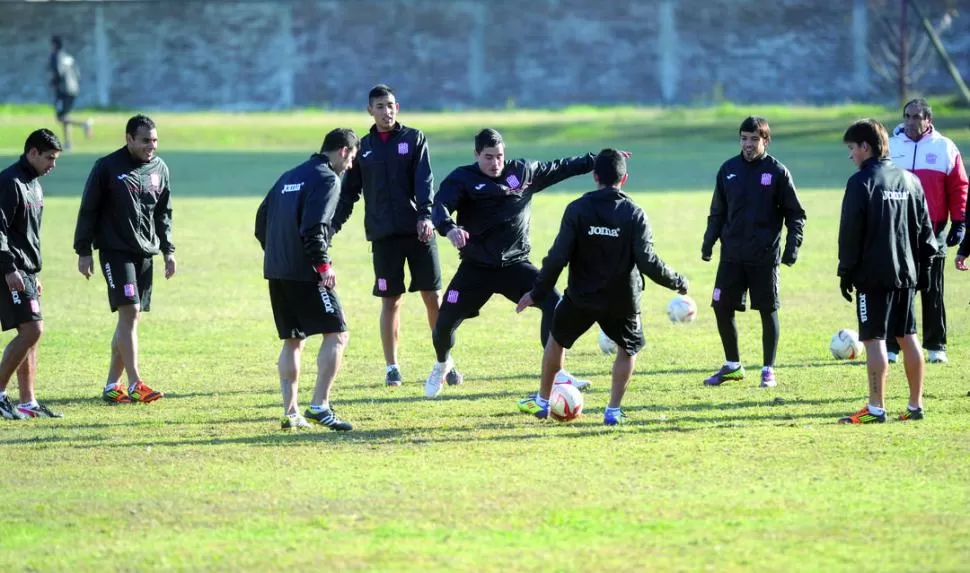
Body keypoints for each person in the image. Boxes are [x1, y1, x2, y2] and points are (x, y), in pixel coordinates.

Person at [425, 128, 607, 398]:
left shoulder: (522, 172)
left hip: (515, 265)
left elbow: (560, 167)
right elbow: (439, 206)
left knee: (555, 304)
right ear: (476, 155)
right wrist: (450, 229)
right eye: (488, 157)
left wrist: (599, 160)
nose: (495, 163)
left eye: (499, 156)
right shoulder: (462, 179)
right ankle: (442, 365)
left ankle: (556, 374)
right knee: (443, 325)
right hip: (476, 268)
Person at [514, 149, 688, 425]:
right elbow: (648, 261)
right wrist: (678, 281)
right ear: (624, 179)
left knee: (556, 340)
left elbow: (558, 256)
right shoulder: (634, 213)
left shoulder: (578, 208)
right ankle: (613, 411)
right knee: (627, 349)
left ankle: (543, 402)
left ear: (595, 176)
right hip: (622, 299)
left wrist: (537, 292)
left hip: (582, 296)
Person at [331, 85, 460, 388]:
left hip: (419, 232)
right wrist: (331, 228)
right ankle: (392, 367)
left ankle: (445, 361)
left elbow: (424, 182)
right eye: (379, 106)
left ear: (397, 107)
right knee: (391, 301)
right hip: (384, 236)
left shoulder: (414, 139)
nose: (386, 111)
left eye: (390, 105)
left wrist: (425, 216)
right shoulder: (363, 148)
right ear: (370, 111)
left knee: (433, 298)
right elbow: (349, 194)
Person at [255, 128, 359, 431]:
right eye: (351, 158)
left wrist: (278, 252)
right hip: (306, 271)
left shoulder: (289, 175)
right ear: (342, 151)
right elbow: (314, 228)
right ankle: (320, 406)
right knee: (338, 334)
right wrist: (323, 266)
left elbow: (262, 221)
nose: (350, 166)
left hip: (277, 269)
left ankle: (291, 412)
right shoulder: (327, 178)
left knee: (293, 339)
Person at [837, 118, 937, 424]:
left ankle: (875, 409)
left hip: (872, 276)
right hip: (906, 274)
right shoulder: (911, 180)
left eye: (852, 148)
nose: (851, 155)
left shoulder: (860, 182)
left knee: (874, 339)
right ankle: (914, 406)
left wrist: (846, 271)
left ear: (866, 147)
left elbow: (851, 232)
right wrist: (924, 271)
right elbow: (926, 233)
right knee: (908, 336)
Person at [73, 115, 175, 405]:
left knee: (130, 319)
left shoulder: (160, 168)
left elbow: (163, 214)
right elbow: (88, 209)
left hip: (146, 252)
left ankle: (110, 386)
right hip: (115, 251)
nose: (150, 146)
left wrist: (168, 250)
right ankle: (135, 383)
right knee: (129, 313)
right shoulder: (107, 167)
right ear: (128, 138)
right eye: (145, 141)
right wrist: (83, 251)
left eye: (154, 140)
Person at [700, 116, 806, 388]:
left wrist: (792, 245)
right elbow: (717, 211)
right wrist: (709, 241)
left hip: (764, 256)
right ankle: (733, 366)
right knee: (721, 306)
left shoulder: (777, 172)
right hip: (732, 255)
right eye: (744, 138)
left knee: (768, 310)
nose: (748, 144)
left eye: (754, 139)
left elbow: (795, 214)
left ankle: (768, 369)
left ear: (765, 140)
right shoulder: (728, 169)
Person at [885, 98, 969, 364]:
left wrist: (959, 222)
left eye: (917, 117)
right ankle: (892, 346)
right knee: (897, 288)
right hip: (895, 229)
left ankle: (936, 346)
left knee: (932, 289)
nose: (911, 121)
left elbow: (959, 186)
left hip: (934, 229)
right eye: (907, 116)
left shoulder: (944, 147)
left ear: (928, 120)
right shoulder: (890, 145)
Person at [0, 129, 63, 420]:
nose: (53, 165)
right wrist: (10, 268)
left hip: (25, 269)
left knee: (31, 333)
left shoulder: (34, 184)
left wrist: (32, 272)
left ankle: (28, 401)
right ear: (32, 153)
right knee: (32, 330)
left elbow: (27, 234)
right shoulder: (10, 182)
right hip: (9, 269)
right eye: (49, 158)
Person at [49, 36, 92, 151]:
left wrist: (53, 83)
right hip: (73, 89)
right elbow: (77, 74)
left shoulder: (56, 56)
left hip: (63, 90)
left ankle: (84, 123)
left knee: (60, 117)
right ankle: (68, 143)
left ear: (54, 45)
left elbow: (59, 72)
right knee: (65, 115)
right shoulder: (68, 57)